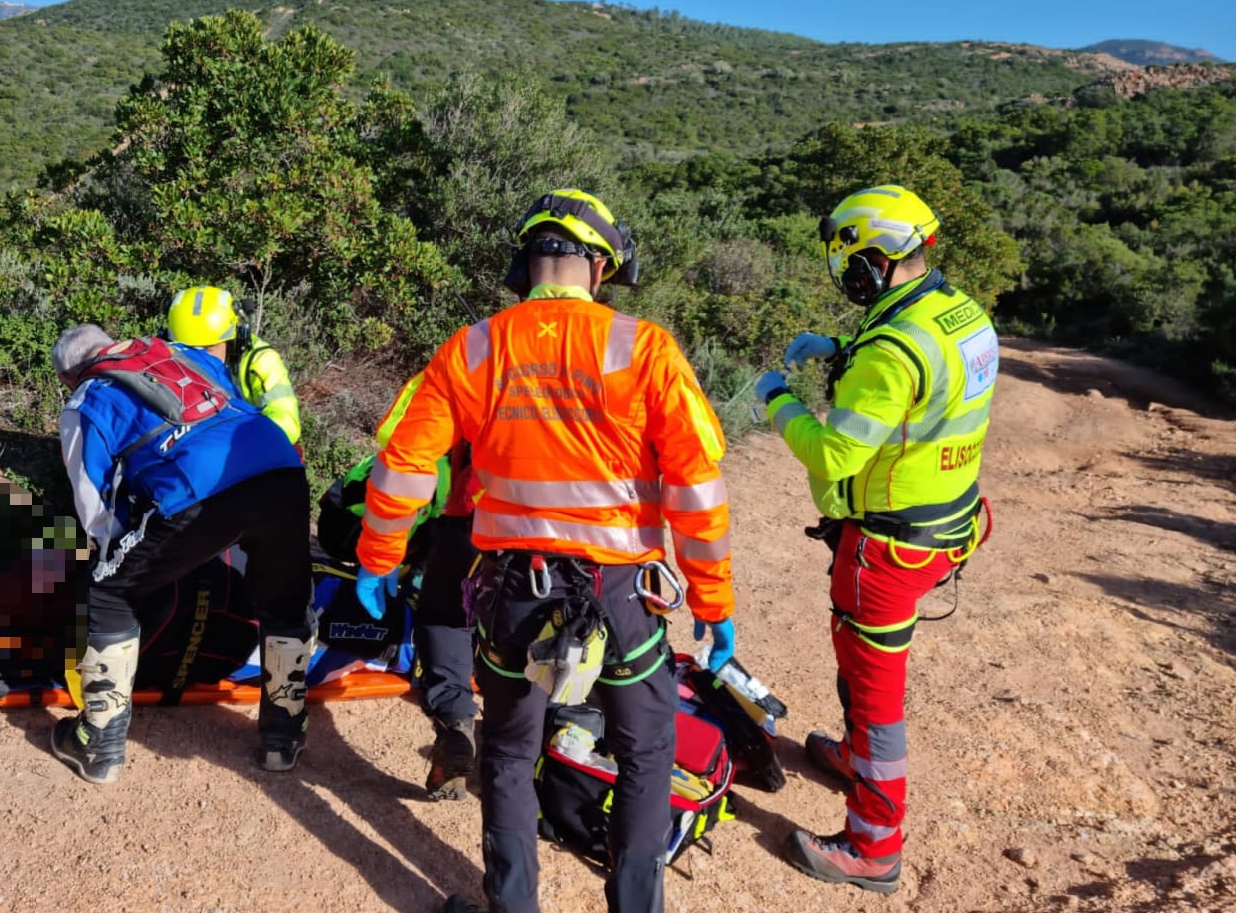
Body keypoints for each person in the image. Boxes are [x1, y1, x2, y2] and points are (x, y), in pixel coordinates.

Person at [357, 189, 736, 913]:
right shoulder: (646, 347)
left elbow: (403, 463)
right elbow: (697, 490)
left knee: (506, 753)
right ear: (599, 266)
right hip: (621, 595)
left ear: (526, 262)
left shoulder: (473, 347)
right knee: (648, 753)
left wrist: (379, 559)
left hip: (514, 595)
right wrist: (714, 604)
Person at [755, 185, 997, 894]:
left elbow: (834, 455)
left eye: (851, 265)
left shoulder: (894, 348)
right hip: (950, 521)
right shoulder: (958, 312)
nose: (847, 279)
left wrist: (779, 397)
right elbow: (922, 375)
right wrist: (837, 349)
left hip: (890, 547)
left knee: (876, 688)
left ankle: (874, 845)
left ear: (873, 260)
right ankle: (856, 755)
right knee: (863, 673)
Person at [48, 324, 315, 782]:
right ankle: (282, 737)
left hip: (201, 488)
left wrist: (122, 553)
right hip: (281, 467)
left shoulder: (86, 398)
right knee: (285, 601)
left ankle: (100, 742)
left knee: (109, 592)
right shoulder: (180, 353)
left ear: (67, 377)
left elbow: (94, 507)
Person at [330, 440, 482, 799]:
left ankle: (456, 718)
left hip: (467, 513)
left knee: (446, 619)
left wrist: (383, 554)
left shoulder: (469, 392)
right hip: (565, 533)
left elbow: (407, 462)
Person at [167, 286, 302, 446]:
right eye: (188, 349)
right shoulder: (164, 356)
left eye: (209, 348)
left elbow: (287, 425)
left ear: (234, 338)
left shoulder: (260, 362)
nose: (200, 357)